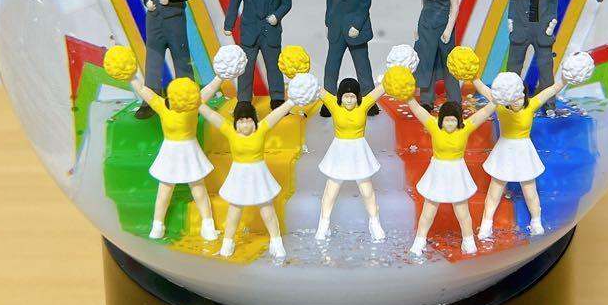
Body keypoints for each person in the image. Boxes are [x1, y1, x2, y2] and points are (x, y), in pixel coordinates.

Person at [198, 95, 298, 259]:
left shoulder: (262, 129)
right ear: (235, 122)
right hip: (238, 176)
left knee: (266, 208)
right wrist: (196, 103)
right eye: (241, 121)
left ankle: (276, 241)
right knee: (234, 211)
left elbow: (277, 114)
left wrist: (291, 102)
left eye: (249, 120)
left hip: (258, 175)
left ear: (255, 121)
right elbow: (211, 115)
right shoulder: (229, 131)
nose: (245, 124)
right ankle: (227, 243)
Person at [127, 72, 222, 241]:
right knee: (164, 191)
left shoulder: (193, 105)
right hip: (170, 152)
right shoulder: (162, 106)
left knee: (198, 188)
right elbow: (143, 90)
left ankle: (208, 224)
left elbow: (208, 90)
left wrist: (220, 77)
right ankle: (158, 224)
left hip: (190, 151)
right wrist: (131, 76)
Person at [473, 74, 564, 239]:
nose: (517, 101)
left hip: (524, 152)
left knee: (530, 192)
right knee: (494, 191)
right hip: (503, 151)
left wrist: (564, 80)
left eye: (521, 97)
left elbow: (551, 90)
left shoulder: (531, 105)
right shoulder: (500, 106)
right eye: (514, 98)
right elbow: (484, 90)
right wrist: (472, 77)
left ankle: (536, 221)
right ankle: (486, 223)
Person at [405, 96, 496, 256]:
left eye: (453, 120)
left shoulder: (465, 128)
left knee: (462, 212)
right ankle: (420, 240)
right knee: (428, 211)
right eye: (447, 120)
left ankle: (468, 241)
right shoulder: (434, 125)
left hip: (457, 173)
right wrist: (408, 97)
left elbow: (483, 113)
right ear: (441, 119)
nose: (450, 124)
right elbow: (418, 110)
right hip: (437, 172)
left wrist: (496, 101)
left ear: (459, 120)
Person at [314, 77, 387, 242]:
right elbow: (316, 88)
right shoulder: (333, 104)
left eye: (352, 96)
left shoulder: (364, 104)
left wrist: (396, 73)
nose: (349, 100)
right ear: (340, 96)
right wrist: (299, 75)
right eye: (346, 96)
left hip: (359, 152)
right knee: (330, 191)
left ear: (357, 97)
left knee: (367, 191)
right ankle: (323, 224)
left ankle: (374, 222)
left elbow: (382, 88)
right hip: (339, 152)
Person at [136, 0, 197, 120]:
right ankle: (150, 99)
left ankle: (186, 96)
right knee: (153, 59)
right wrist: (147, 1)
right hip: (154, 20)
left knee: (181, 58)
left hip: (174, 20)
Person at [223, 0, 292, 109]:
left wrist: (277, 16)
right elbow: (234, 1)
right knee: (246, 68)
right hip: (250, 31)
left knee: (274, 67)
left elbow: (287, 2)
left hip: (271, 31)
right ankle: (244, 99)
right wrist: (228, 25)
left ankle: (277, 98)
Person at [323, 0, 377, 118]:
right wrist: (328, 21)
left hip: (356, 28)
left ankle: (369, 102)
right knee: (331, 66)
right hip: (336, 26)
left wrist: (357, 25)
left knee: (363, 67)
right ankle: (328, 102)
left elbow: (365, 1)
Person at [507, 0, 558, 114]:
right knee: (514, 66)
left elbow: (553, 1)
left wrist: (551, 23)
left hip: (542, 28)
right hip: (521, 26)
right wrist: (511, 21)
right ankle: (509, 100)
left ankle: (549, 104)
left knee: (546, 68)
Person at [413, 0, 460, 112]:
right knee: (427, 62)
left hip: (443, 26)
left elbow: (455, 7)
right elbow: (424, 4)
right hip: (426, 26)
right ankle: (426, 100)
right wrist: (418, 26)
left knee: (449, 64)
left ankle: (455, 100)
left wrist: (448, 29)